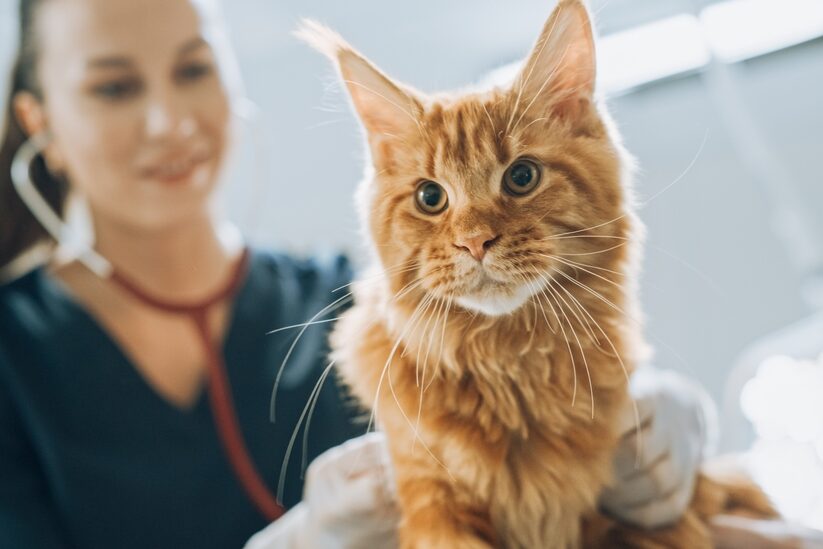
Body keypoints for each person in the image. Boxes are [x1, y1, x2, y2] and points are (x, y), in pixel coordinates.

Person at [0, 0, 798, 547]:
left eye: (193, 69)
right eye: (113, 85)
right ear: (39, 121)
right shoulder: (14, 354)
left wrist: (661, 420)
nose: (168, 118)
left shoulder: (349, 300)